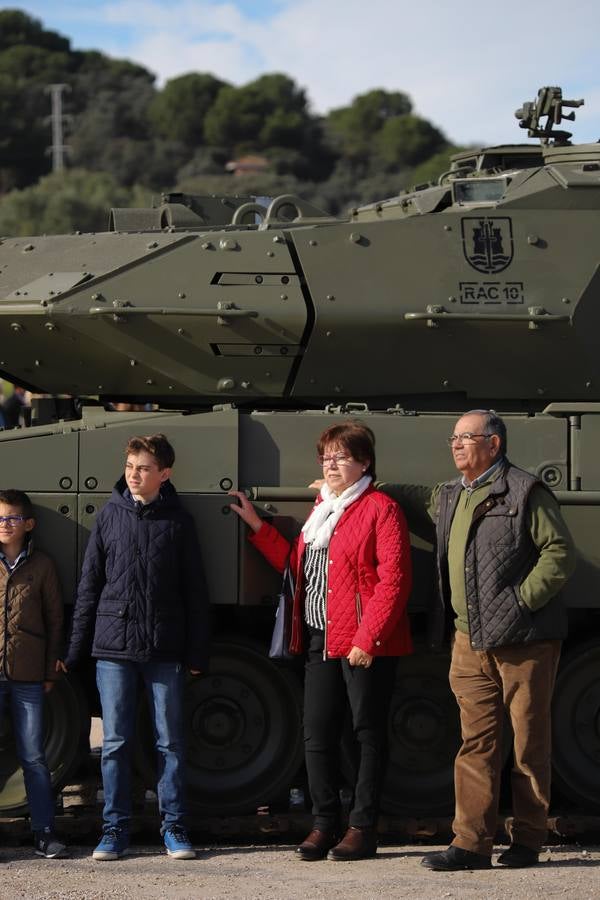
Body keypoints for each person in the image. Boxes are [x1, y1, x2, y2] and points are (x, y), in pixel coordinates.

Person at [379, 409, 576, 871]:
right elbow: (412, 497)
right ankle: (471, 843)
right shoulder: (451, 495)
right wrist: (363, 485)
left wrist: (522, 602)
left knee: (528, 744)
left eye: (466, 437)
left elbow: (559, 551)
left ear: (494, 444)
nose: (456, 444)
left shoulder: (525, 491)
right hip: (469, 641)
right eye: (453, 437)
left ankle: (528, 839)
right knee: (476, 744)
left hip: (525, 639)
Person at [230, 422, 412, 862]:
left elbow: (394, 580)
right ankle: (324, 822)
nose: (331, 465)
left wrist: (368, 638)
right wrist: (257, 525)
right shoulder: (323, 509)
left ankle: (362, 827)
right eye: (326, 457)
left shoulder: (381, 509)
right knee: (317, 733)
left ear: (364, 463)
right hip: (320, 638)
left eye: (341, 457)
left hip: (364, 643)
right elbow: (297, 568)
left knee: (366, 734)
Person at [62, 433, 209, 861]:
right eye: (129, 466)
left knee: (171, 743)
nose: (133, 474)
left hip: (165, 648)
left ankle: (174, 827)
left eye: (143, 468)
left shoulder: (179, 523)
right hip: (114, 649)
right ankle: (114, 829)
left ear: (165, 473)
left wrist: (196, 653)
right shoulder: (109, 516)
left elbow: (195, 592)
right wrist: (75, 650)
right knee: (115, 743)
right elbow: (89, 586)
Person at [0, 489, 68, 859]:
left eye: (12, 518)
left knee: (34, 757)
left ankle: (44, 833)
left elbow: (55, 620)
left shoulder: (42, 566)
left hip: (27, 674)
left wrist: (50, 669)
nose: (5, 524)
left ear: (28, 524)